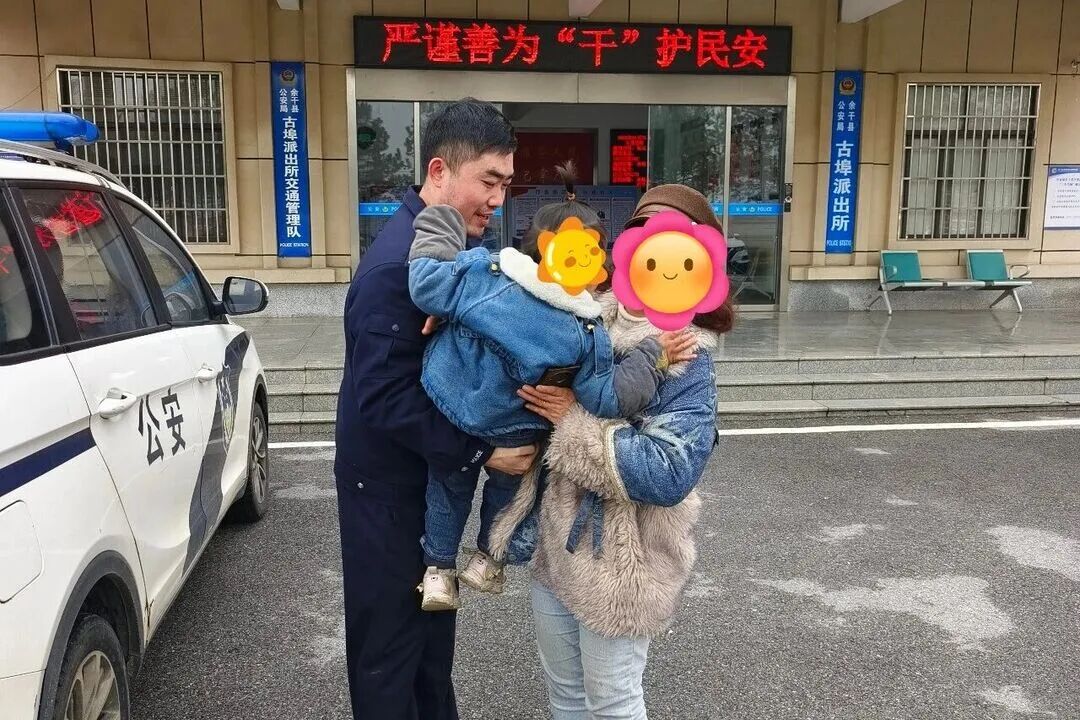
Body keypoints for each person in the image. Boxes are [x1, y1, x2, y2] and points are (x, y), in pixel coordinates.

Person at [406, 164, 697, 611]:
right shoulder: (586, 332)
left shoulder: (490, 275)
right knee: (511, 489)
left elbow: (427, 285)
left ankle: (438, 572)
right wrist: (653, 357)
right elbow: (609, 397)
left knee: (447, 490)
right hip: (516, 431)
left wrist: (439, 221)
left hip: (451, 404)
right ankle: (489, 559)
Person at [333, 98, 536, 720]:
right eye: (488, 181)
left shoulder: (447, 252)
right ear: (440, 170)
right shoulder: (397, 267)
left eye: (506, 184)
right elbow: (383, 396)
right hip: (388, 493)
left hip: (422, 487)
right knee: (392, 654)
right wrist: (483, 451)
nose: (497, 200)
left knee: (428, 647)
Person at [516, 185, 736, 719]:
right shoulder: (584, 316)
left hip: (623, 562)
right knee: (565, 697)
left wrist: (571, 421)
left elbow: (669, 472)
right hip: (557, 547)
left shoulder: (688, 354)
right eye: (641, 233)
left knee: (613, 703)